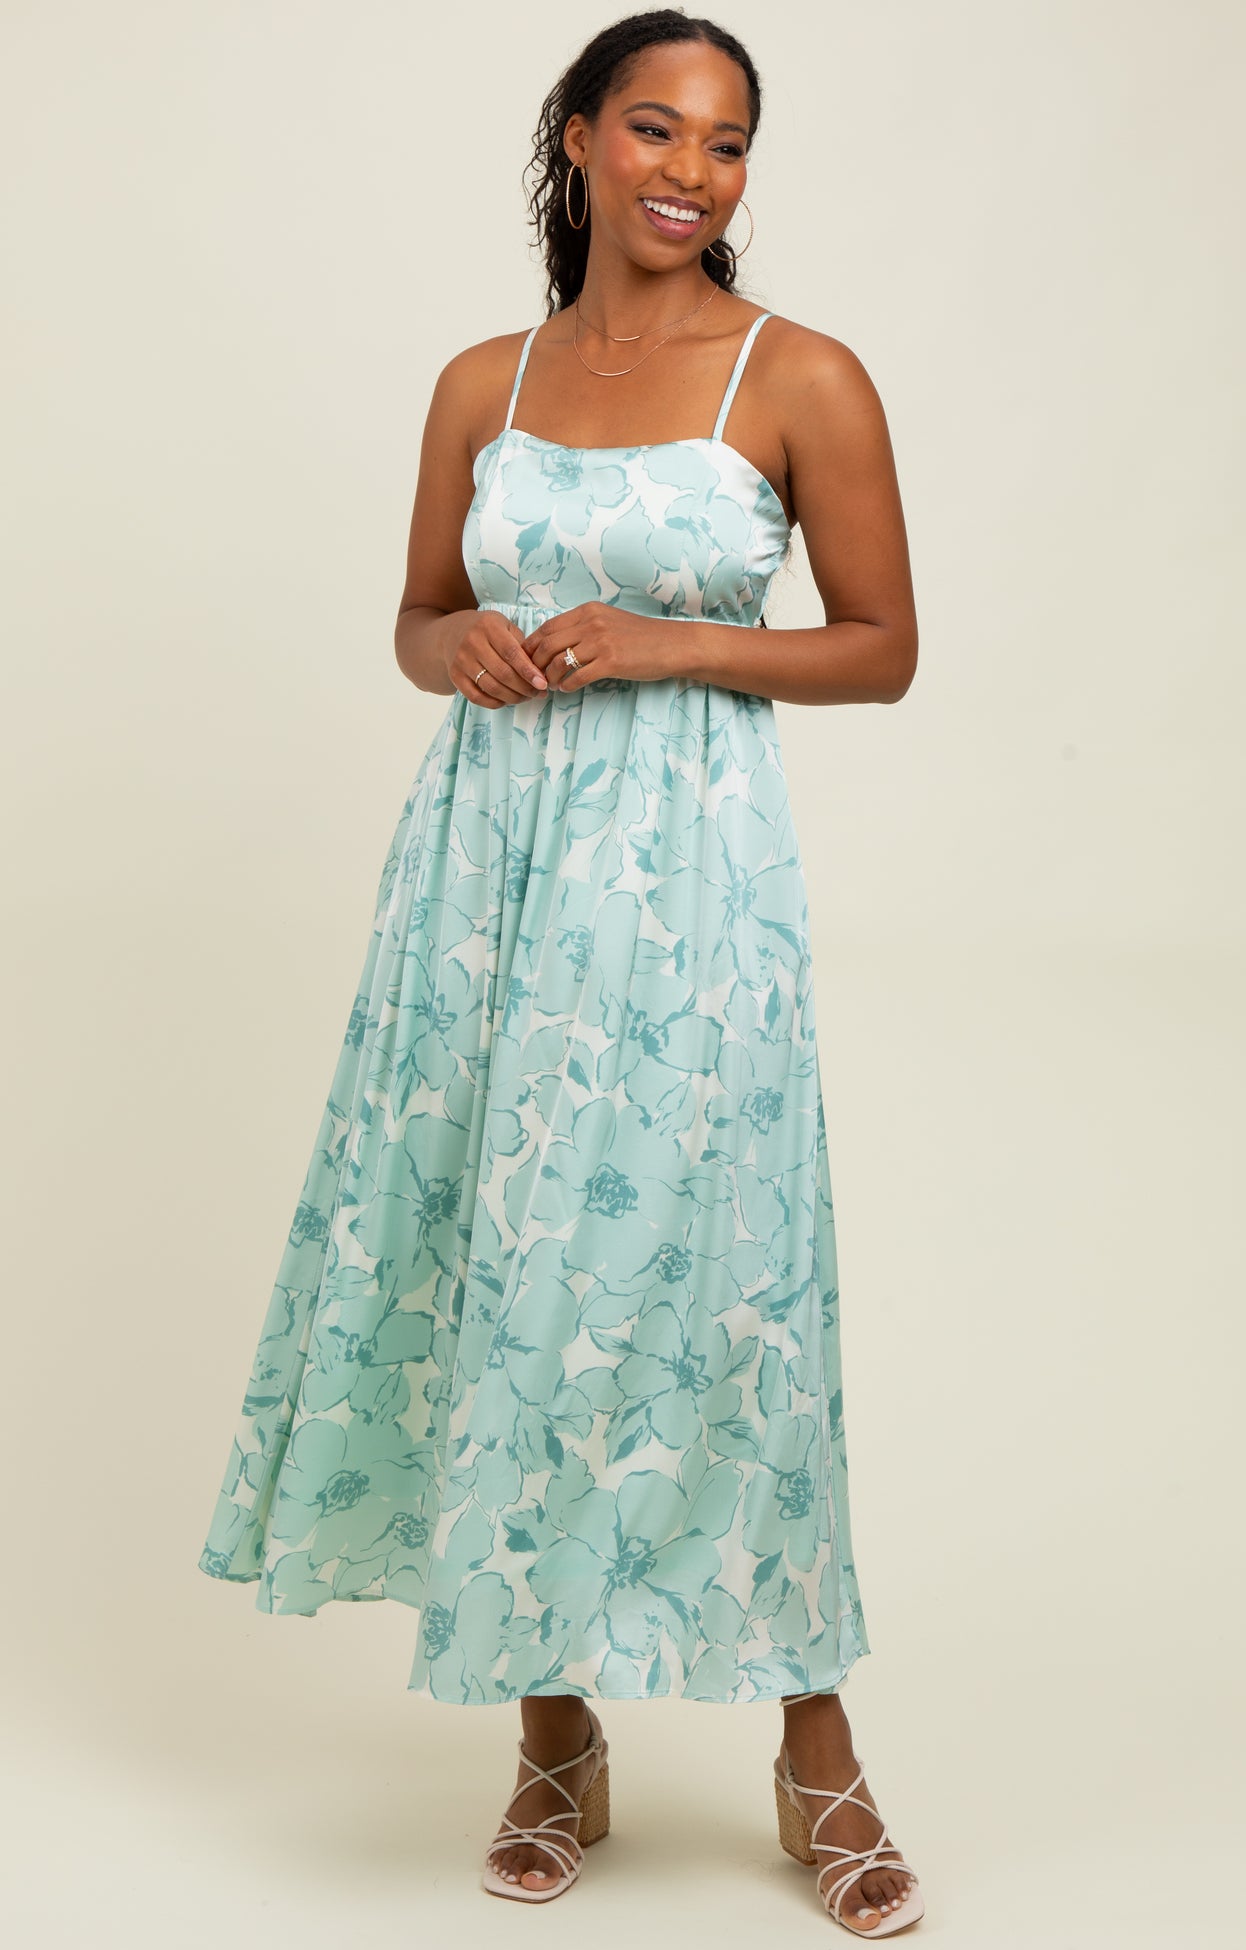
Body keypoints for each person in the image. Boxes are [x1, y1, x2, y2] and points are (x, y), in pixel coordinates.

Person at [197, 7, 922, 1937]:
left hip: (692, 892)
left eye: (729, 143)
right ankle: (550, 1735)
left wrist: (669, 641)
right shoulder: (483, 380)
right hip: (484, 875)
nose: (694, 172)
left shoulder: (800, 375)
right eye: (659, 130)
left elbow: (881, 646)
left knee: (729, 1286)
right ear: (583, 138)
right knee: (496, 1262)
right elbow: (419, 615)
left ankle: (818, 1752)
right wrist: (460, 648)